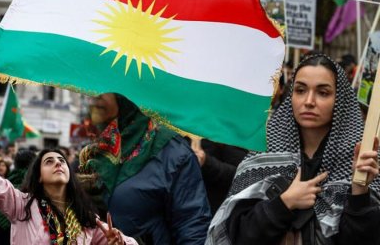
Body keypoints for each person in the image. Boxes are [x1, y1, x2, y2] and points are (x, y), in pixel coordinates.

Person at [206, 53, 380, 245]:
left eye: (323, 93)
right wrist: (284, 202)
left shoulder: (363, 160)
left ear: (340, 100)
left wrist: (359, 191)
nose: (309, 101)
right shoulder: (263, 153)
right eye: (300, 90)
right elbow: (239, 235)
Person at [79, 93, 211, 245]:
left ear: (128, 96)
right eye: (95, 86)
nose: (95, 94)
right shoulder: (93, 152)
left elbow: (192, 228)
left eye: (108, 86)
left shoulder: (173, 154)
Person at [0, 148, 138, 245]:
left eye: (62, 161)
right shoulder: (21, 205)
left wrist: (119, 242)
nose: (58, 163)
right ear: (39, 176)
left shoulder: (86, 218)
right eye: (49, 161)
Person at [189, 137, 248, 215]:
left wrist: (206, 162)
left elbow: (241, 176)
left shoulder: (226, 132)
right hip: (182, 206)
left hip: (214, 210)